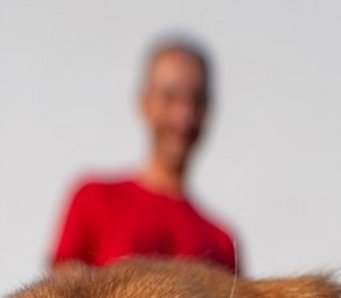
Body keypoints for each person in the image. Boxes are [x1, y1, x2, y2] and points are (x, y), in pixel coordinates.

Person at [50, 38, 238, 273]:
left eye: (196, 101)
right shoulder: (93, 199)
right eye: (170, 97)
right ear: (145, 103)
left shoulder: (222, 243)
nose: (184, 117)